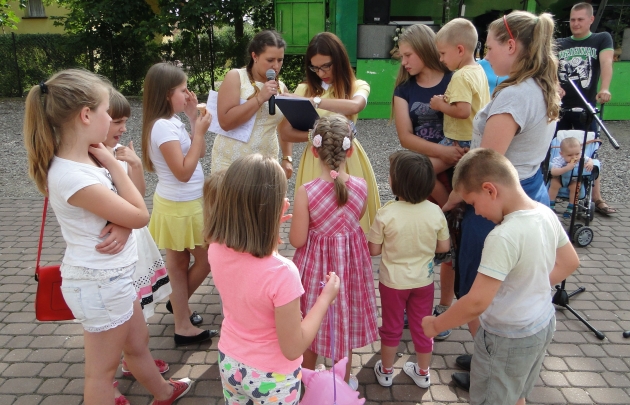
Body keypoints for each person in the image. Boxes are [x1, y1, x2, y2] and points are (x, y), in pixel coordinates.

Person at [24, 69, 191, 405]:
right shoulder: (74, 175)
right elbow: (140, 214)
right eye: (105, 112)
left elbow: (128, 215)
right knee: (100, 374)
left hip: (112, 278)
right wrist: (117, 170)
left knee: (137, 342)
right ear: (86, 115)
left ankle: (162, 392)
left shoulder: (87, 157)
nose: (111, 120)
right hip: (100, 283)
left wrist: (125, 220)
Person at [441, 11, 561, 391]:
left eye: (490, 47)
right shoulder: (542, 86)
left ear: (512, 45)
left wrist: (446, 205)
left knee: (481, 286)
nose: (486, 55)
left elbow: (484, 169)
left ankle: (489, 363)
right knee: (508, 280)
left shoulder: (514, 96)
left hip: (497, 205)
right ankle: (485, 354)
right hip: (529, 189)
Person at [423, 148, 580, 405]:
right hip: (540, 326)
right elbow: (570, 262)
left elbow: (476, 302)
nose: (478, 212)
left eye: (473, 204)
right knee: (517, 392)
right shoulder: (544, 213)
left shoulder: (502, 236)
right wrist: (529, 286)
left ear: (490, 190)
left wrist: (436, 325)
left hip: (507, 338)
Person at [206, 154, 340, 405]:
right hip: (272, 378)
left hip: (230, 362)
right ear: (276, 210)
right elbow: (293, 347)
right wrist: (325, 299)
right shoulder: (283, 273)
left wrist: (266, 227)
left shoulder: (215, 248)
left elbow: (250, 271)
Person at [289, 115, 378, 389]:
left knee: (310, 319)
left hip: (316, 269)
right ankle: (342, 380)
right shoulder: (362, 186)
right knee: (344, 321)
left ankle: (307, 380)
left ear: (313, 150)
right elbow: (355, 220)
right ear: (351, 150)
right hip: (349, 269)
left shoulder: (307, 192)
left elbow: (296, 239)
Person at [392, 23, 461, 341]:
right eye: (402, 56)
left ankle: (445, 309)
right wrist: (444, 154)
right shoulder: (404, 90)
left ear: (424, 48)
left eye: (408, 55)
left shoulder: (454, 79)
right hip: (431, 166)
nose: (404, 62)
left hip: (452, 167)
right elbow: (406, 137)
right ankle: (412, 308)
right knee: (417, 243)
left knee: (449, 248)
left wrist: (449, 158)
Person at [141, 62, 216, 346]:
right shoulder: (161, 127)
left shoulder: (172, 121)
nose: (188, 94)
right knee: (205, 258)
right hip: (180, 205)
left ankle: (180, 314)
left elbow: (200, 152)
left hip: (183, 203)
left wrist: (192, 119)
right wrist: (197, 132)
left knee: (180, 263)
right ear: (165, 94)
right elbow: (183, 173)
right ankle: (180, 315)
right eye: (182, 90)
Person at [103, 91, 171, 405]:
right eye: (116, 121)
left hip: (133, 243)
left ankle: (134, 361)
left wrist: (135, 167)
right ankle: (111, 379)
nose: (122, 128)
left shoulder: (117, 151)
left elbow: (138, 197)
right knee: (111, 326)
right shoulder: (84, 162)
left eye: (124, 122)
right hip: (111, 250)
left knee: (133, 318)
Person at [278, 32, 380, 233]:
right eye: (315, 67)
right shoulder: (303, 89)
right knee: (317, 223)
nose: (321, 72)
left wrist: (314, 101)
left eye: (326, 65)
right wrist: (313, 138)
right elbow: (285, 132)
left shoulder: (358, 86)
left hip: (348, 158)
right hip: (315, 159)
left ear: (340, 60)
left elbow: (355, 106)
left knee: (353, 222)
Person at [368, 151, 450, 389]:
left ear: (395, 183)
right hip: (423, 281)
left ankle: (385, 371)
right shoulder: (435, 212)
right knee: (423, 325)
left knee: (392, 326)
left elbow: (374, 250)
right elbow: (443, 246)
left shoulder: (386, 213)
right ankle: (423, 372)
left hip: (392, 283)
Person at [557, 2, 616, 215]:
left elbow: (607, 63)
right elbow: (549, 68)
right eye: (572, 20)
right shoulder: (560, 43)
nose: (575, 23)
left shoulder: (601, 38)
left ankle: (596, 198)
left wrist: (605, 88)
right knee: (556, 150)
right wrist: (554, 85)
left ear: (590, 20)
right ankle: (553, 192)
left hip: (586, 107)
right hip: (561, 109)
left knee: (590, 152)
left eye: (580, 19)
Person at [213, 30, 293, 179]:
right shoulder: (236, 77)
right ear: (254, 56)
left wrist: (287, 158)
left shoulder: (281, 87)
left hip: (266, 164)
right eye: (270, 60)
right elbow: (225, 122)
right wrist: (259, 98)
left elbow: (284, 129)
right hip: (232, 162)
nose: (276, 66)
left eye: (280, 60)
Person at [429, 18, 490, 206]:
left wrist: (440, 105)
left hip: (458, 140)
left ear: (460, 50)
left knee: (421, 172)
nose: (441, 59)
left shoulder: (461, 75)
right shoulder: (478, 70)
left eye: (443, 53)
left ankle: (446, 207)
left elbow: (463, 111)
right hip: (473, 137)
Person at [548, 137, 594, 217]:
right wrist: (566, 168)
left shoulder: (582, 158)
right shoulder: (559, 160)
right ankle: (551, 204)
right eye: (570, 155)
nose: (574, 157)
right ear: (562, 154)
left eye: (577, 154)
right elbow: (554, 172)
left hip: (574, 179)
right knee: (554, 183)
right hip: (560, 178)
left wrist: (590, 163)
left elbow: (590, 159)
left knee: (576, 188)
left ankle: (571, 207)